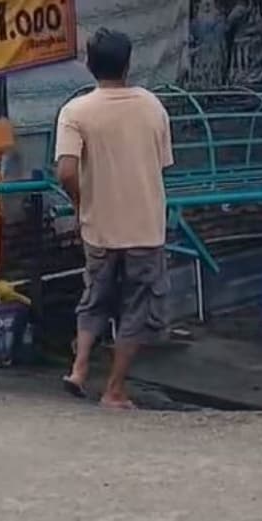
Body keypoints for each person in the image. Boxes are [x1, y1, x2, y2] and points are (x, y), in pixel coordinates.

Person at [57, 28, 174, 409]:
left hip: (100, 226)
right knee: (136, 307)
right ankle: (114, 390)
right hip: (144, 226)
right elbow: (162, 166)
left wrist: (80, 202)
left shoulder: (75, 112)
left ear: (89, 66)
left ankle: (78, 367)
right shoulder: (152, 106)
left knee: (95, 297)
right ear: (128, 64)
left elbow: (66, 171)